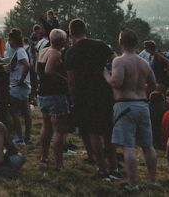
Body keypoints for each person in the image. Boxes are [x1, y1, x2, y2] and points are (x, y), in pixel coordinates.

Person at [104, 28, 157, 191]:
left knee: (129, 146)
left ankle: (132, 184)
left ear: (121, 42)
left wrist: (106, 74)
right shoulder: (144, 62)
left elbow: (116, 83)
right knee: (148, 145)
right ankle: (152, 181)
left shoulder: (119, 61)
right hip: (142, 104)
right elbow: (153, 84)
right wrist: (143, 94)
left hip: (125, 105)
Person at [65, 18, 116, 178]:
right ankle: (114, 167)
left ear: (71, 33)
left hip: (84, 95)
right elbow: (115, 60)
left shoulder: (71, 52)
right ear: (85, 30)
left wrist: (73, 99)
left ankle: (102, 168)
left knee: (93, 132)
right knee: (108, 132)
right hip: (105, 92)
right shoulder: (100, 45)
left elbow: (71, 80)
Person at [36, 28, 69, 171]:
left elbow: (39, 70)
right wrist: (65, 80)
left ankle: (43, 157)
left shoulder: (43, 51)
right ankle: (59, 164)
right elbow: (48, 71)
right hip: (55, 95)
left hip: (42, 94)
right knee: (59, 130)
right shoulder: (56, 53)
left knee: (46, 126)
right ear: (61, 41)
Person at [4, 28, 31, 145]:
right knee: (26, 112)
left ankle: (20, 138)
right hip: (24, 87)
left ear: (14, 40)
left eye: (9, 40)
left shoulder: (20, 51)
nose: (8, 42)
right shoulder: (20, 51)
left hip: (18, 86)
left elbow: (27, 65)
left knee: (13, 112)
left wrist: (20, 79)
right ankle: (27, 137)